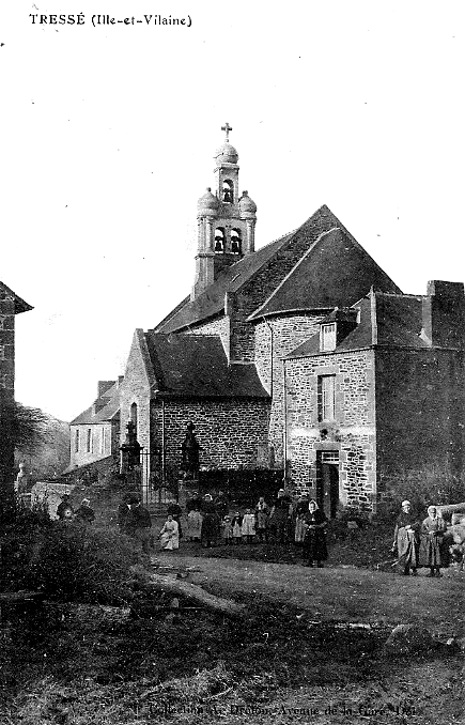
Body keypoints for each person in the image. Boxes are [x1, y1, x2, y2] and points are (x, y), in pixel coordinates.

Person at [391, 500, 420, 575]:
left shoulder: (413, 515)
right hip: (402, 536)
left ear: (410, 507)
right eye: (405, 507)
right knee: (403, 551)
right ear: (402, 508)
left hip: (411, 536)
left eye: (408, 507)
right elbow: (397, 528)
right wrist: (395, 539)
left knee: (412, 551)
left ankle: (412, 569)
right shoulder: (400, 517)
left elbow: (417, 524)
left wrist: (411, 526)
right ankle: (402, 569)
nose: (407, 508)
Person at [419, 505, 448, 577]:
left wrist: (436, 531)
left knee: (438, 555)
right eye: (431, 512)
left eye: (434, 512)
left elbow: (444, 528)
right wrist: (428, 532)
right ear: (429, 512)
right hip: (429, 540)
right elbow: (422, 530)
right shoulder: (426, 521)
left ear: (436, 512)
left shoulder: (440, 520)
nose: (433, 514)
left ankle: (438, 571)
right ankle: (431, 571)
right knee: (430, 554)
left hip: (438, 540)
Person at [302, 499, 328, 567]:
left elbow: (325, 522)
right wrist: (309, 526)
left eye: (313, 507)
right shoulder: (307, 514)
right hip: (310, 533)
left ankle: (319, 562)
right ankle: (309, 562)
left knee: (319, 547)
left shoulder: (320, 513)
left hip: (318, 533)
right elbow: (304, 523)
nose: (312, 508)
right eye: (311, 507)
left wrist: (318, 526)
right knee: (309, 547)